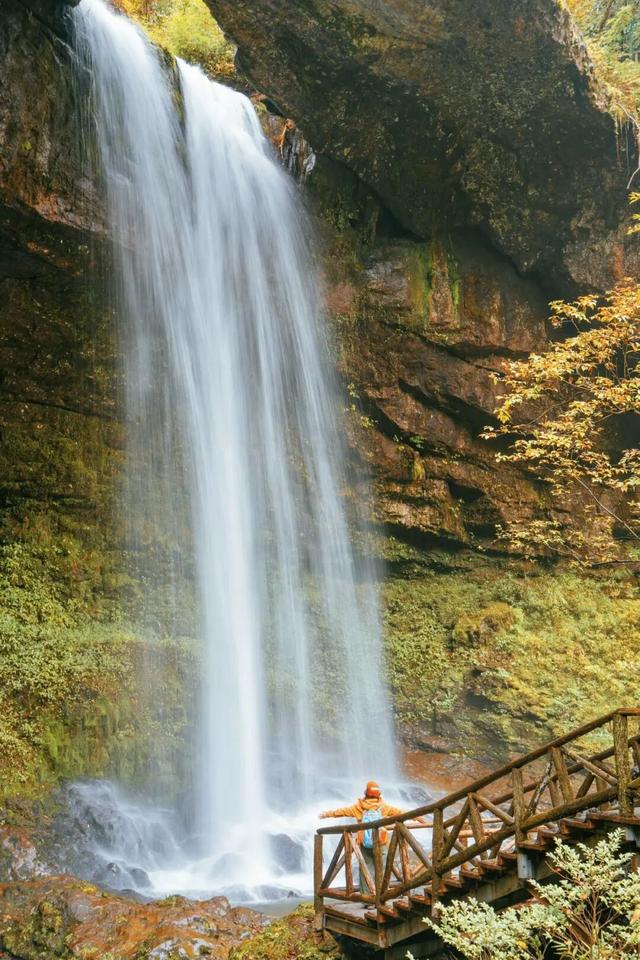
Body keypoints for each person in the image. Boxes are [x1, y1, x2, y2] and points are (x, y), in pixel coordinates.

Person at [319, 781, 404, 894]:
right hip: (381, 841)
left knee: (365, 868)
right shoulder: (384, 807)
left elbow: (342, 812)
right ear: (379, 795)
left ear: (365, 793)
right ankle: (382, 896)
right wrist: (417, 818)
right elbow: (399, 812)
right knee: (382, 868)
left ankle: (367, 898)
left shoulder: (358, 807)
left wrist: (325, 814)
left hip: (364, 842)